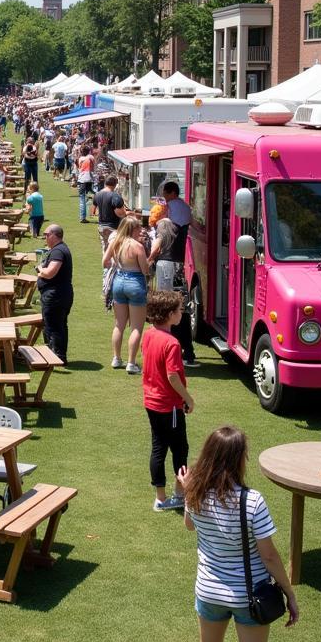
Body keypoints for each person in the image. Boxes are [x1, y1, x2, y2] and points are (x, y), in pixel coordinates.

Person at [179, 426, 299, 642]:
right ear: (238, 459)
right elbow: (269, 556)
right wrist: (289, 593)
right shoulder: (252, 500)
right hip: (249, 594)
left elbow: (189, 526)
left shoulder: (196, 493)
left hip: (208, 590)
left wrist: (188, 490)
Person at [141, 290, 195, 511]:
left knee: (158, 448)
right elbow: (172, 376)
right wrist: (188, 399)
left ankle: (161, 497)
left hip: (151, 402)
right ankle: (176, 495)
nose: (181, 313)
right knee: (179, 449)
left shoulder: (148, 334)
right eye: (179, 310)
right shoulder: (171, 343)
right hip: (169, 406)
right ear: (170, 314)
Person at [149, 217, 200, 368]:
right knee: (180, 308)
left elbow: (156, 247)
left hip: (166, 269)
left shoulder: (163, 227)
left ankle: (172, 350)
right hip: (177, 269)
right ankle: (187, 352)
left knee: (166, 307)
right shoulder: (179, 229)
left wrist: (149, 259)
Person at [103, 215, 149, 374]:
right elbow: (145, 270)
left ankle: (116, 358)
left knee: (119, 324)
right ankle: (131, 363)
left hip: (119, 282)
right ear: (133, 229)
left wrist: (118, 263)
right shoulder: (138, 246)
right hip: (135, 283)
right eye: (138, 228)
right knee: (136, 327)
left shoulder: (116, 242)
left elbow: (105, 261)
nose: (141, 230)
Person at [36, 223, 73, 363]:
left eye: (47, 234)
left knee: (53, 326)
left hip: (55, 295)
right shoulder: (59, 249)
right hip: (60, 294)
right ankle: (57, 355)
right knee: (59, 325)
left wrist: (40, 270)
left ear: (54, 235)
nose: (45, 237)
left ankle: (55, 357)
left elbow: (50, 273)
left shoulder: (58, 251)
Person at [95, 174, 128, 252]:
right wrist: (126, 212)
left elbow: (93, 211)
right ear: (115, 184)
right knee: (114, 250)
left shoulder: (97, 194)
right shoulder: (115, 196)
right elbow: (120, 214)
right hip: (112, 227)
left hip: (101, 226)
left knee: (105, 249)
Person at [76, 143, 94, 223]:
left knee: (82, 199)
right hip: (89, 179)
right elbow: (93, 167)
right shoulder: (90, 158)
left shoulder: (80, 159)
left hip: (81, 180)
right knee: (91, 195)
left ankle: (82, 217)